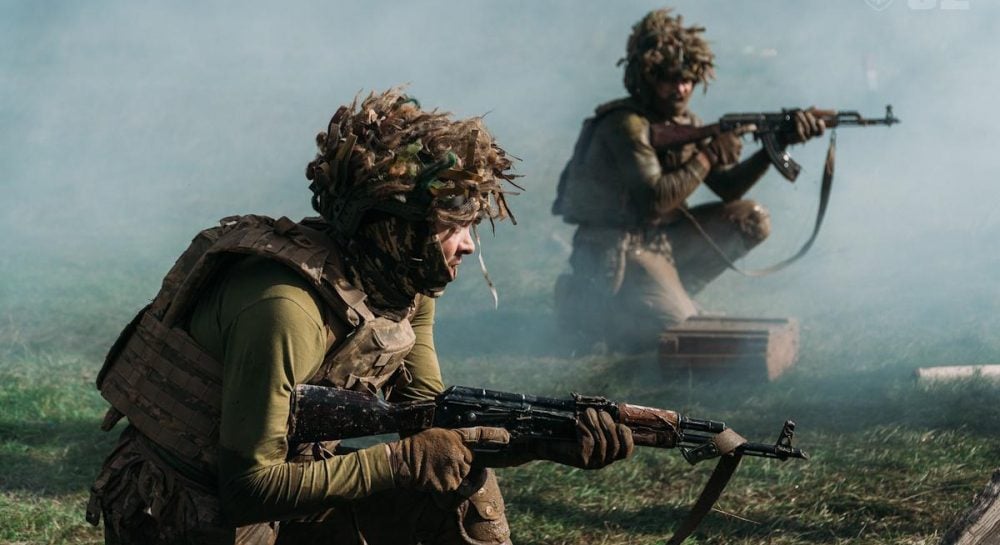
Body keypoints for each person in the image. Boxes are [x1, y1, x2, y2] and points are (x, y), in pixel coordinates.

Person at [87, 88, 634, 545]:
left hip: (288, 483)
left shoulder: (401, 287)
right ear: (395, 229)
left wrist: (542, 441)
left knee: (465, 488)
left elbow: (431, 421)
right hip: (191, 511)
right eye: (451, 226)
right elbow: (246, 488)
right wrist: (401, 462)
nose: (468, 244)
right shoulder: (285, 309)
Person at [552, 9, 825, 351]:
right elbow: (656, 201)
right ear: (646, 76)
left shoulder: (684, 123)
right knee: (676, 329)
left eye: (689, 79)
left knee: (750, 219)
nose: (681, 89)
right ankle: (584, 307)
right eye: (670, 79)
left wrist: (776, 145)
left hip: (661, 242)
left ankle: (666, 295)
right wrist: (709, 154)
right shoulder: (626, 125)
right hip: (617, 248)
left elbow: (728, 188)